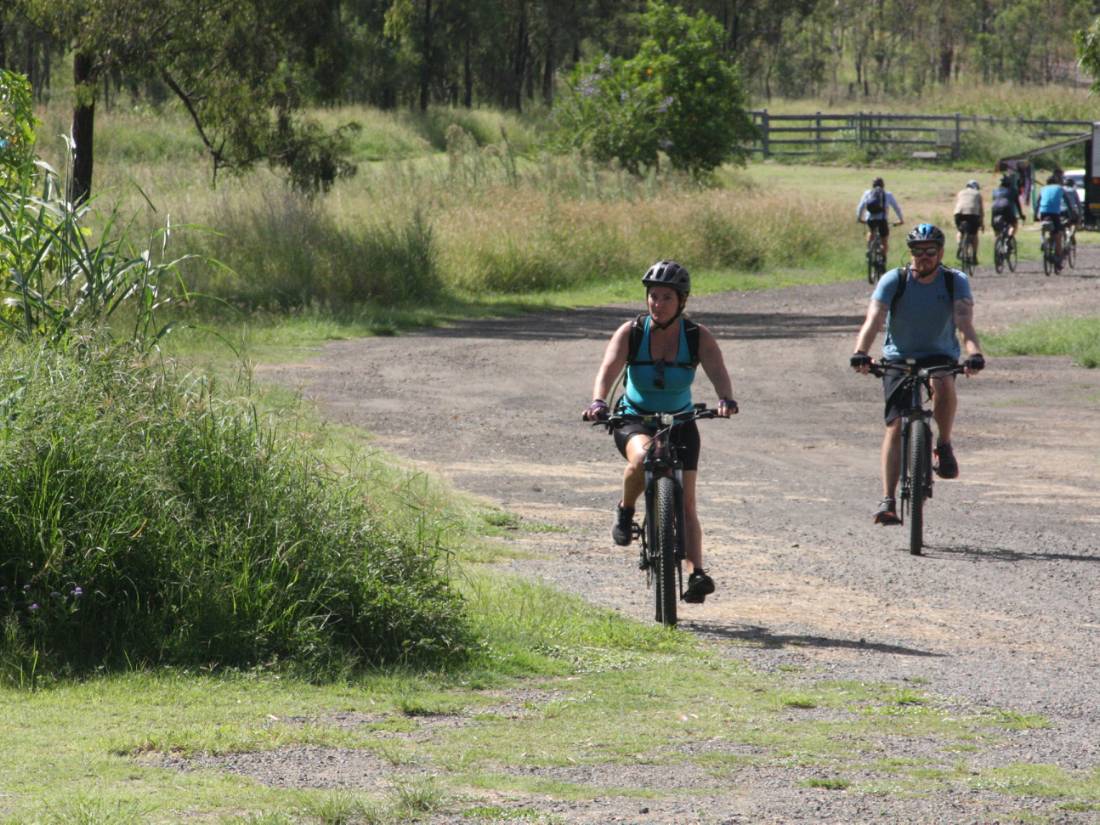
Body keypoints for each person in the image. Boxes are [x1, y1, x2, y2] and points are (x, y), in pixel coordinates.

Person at [582, 261, 736, 603]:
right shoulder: (632, 332)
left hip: (680, 421)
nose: (657, 303)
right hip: (635, 416)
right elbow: (608, 369)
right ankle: (626, 509)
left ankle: (696, 573)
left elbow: (718, 370)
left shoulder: (696, 336)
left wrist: (726, 399)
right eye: (653, 296)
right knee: (643, 457)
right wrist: (597, 402)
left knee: (688, 501)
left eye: (666, 297)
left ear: (682, 301)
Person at [849, 224, 985, 525]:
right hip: (899, 357)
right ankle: (888, 499)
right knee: (895, 425)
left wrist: (974, 353)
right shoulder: (894, 279)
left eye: (930, 251)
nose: (922, 257)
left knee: (943, 382)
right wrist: (861, 351)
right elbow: (874, 318)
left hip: (939, 354)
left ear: (940, 253)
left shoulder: (954, 281)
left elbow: (964, 321)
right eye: (917, 252)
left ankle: (944, 445)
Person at [856, 177, 904, 261]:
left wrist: (859, 218)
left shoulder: (867, 193)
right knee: (884, 239)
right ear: (883, 185)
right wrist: (901, 220)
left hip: (870, 219)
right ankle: (884, 258)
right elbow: (896, 208)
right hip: (882, 220)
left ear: (872, 185)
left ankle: (869, 250)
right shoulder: (888, 194)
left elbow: (861, 207)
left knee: (871, 232)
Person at [1037, 174, 1067, 271]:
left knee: (1043, 229)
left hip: (1043, 212)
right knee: (1058, 236)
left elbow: (1038, 202)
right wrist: (1071, 213)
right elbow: (1067, 202)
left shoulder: (1043, 189)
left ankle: (1043, 242)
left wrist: (1036, 214)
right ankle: (1058, 261)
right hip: (1054, 214)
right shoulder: (1060, 188)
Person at [952, 180, 984, 264]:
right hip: (973, 214)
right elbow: (981, 210)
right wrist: (982, 223)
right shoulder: (977, 194)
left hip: (958, 214)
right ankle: (974, 256)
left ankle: (960, 244)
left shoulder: (960, 192)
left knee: (960, 231)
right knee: (974, 235)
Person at [990, 174, 1024, 240]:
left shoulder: (995, 191)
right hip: (1006, 208)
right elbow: (1017, 204)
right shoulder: (1013, 190)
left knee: (995, 224)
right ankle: (1010, 237)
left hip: (994, 209)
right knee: (1014, 223)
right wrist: (1021, 215)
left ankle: (997, 239)